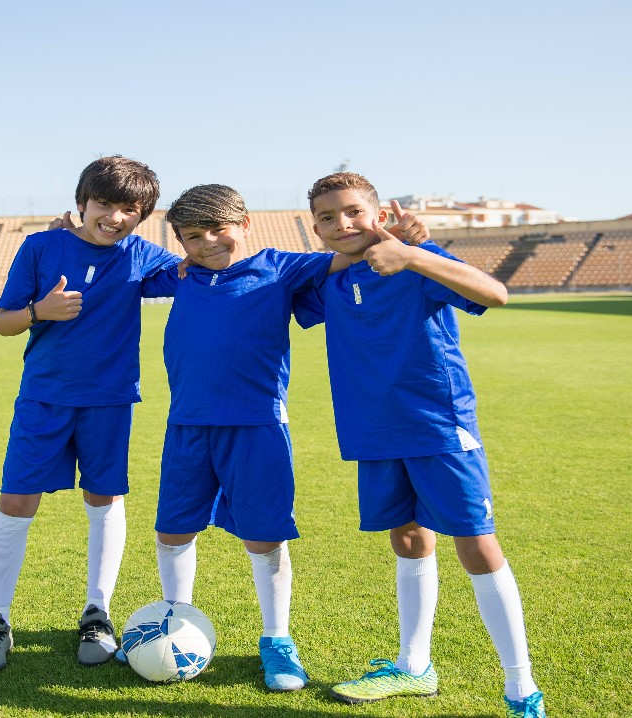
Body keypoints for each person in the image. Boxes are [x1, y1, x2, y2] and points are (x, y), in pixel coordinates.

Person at [149, 183, 429, 692]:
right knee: (172, 530)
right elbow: (125, 264)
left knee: (265, 535)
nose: (209, 242)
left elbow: (349, 256)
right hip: (186, 426)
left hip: (257, 427)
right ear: (180, 243)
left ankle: (277, 640)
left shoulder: (280, 267)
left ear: (245, 225)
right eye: (193, 236)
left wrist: (401, 238)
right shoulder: (178, 275)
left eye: (219, 229)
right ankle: (175, 624)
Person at [292, 172, 546, 718]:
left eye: (354, 211)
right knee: (408, 538)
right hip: (373, 431)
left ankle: (522, 688)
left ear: (378, 215)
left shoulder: (417, 263)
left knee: (476, 545)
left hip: (437, 425)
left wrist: (416, 252)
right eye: (328, 217)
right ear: (315, 228)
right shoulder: (328, 283)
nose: (343, 224)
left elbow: (496, 294)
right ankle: (413, 666)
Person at [0, 155, 180, 675]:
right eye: (103, 204)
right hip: (43, 398)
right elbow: (3, 324)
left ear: (143, 215)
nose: (113, 217)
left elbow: (194, 272)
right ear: (82, 202)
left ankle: (97, 613)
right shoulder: (42, 246)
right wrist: (42, 310)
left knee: (104, 497)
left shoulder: (141, 255)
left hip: (109, 401)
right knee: (17, 498)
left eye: (128, 209)